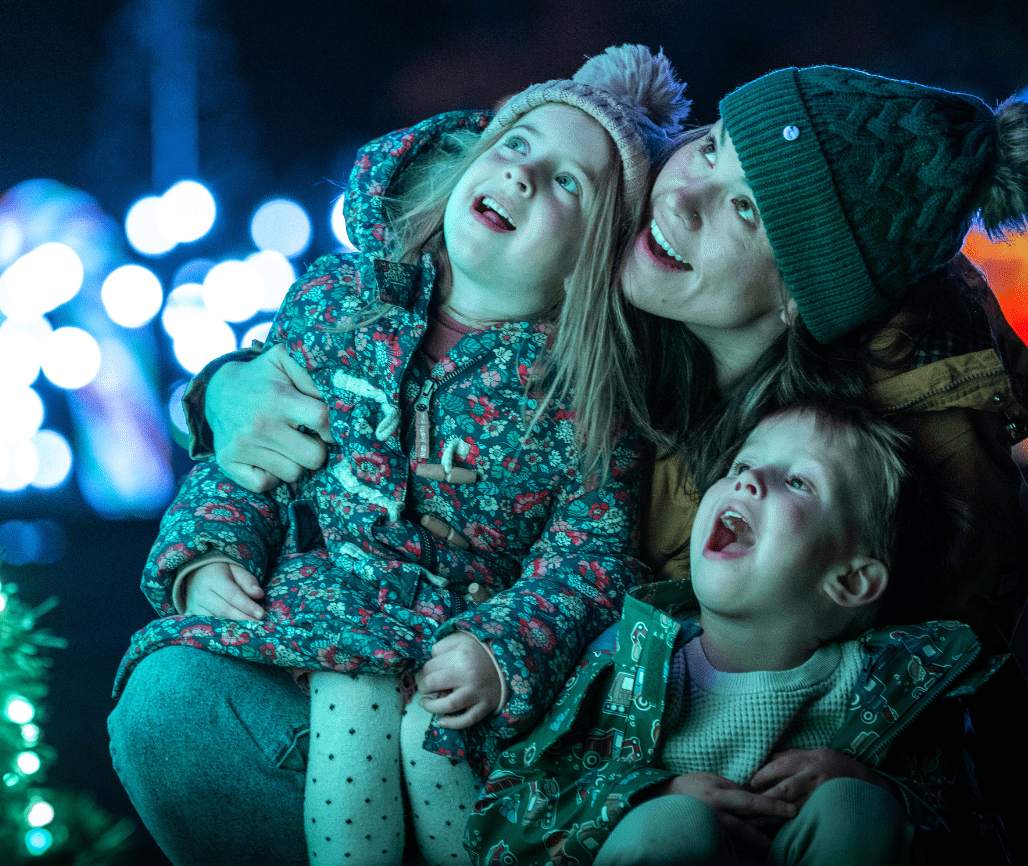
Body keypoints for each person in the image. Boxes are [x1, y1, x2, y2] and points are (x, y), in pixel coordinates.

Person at [182, 64, 1028, 850]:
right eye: (711, 146)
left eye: (744, 210)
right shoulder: (612, 274)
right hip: (514, 711)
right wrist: (223, 389)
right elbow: (433, 262)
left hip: (671, 760)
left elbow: (966, 682)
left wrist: (876, 778)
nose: (681, 194)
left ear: (799, 302)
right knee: (179, 700)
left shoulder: (879, 460)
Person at [110, 46, 690, 866]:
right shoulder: (340, 304)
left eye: (570, 182)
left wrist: (505, 646)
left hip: (467, 650)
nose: (526, 175)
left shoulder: (586, 395)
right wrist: (206, 555)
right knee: (348, 708)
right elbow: (250, 465)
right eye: (518, 145)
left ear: (592, 260)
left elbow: (591, 557)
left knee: (433, 741)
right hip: (327, 608)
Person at [467, 401, 998, 866]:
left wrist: (878, 787)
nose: (746, 480)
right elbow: (503, 821)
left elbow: (981, 838)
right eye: (743, 464)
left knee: (855, 810)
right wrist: (650, 793)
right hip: (660, 837)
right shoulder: (625, 662)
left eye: (798, 481)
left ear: (852, 580)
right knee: (673, 824)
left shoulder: (895, 694)